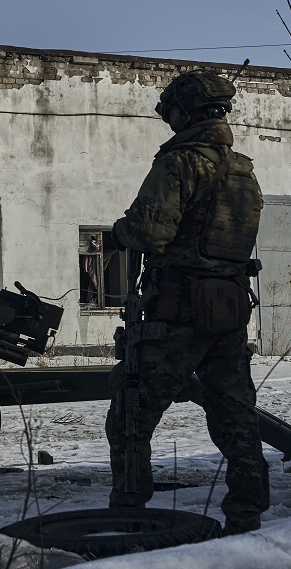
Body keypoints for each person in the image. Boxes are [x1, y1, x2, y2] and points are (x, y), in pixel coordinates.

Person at [105, 69, 269, 535]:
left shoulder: (180, 163)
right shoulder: (243, 170)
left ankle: (131, 515)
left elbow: (150, 231)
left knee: (131, 414)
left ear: (185, 111)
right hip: (229, 308)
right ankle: (247, 512)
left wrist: (120, 232)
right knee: (236, 417)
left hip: (178, 312)